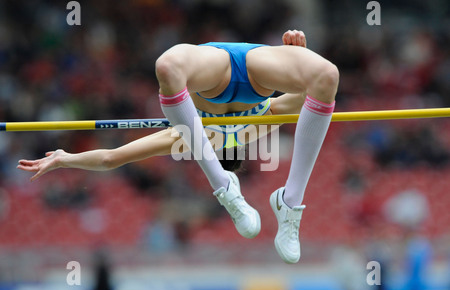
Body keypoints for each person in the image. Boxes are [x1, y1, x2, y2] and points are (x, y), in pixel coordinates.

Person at [18, 30, 339, 263]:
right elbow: (312, 94)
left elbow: (111, 158)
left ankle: (255, 193)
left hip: (220, 69)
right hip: (256, 69)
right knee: (326, 75)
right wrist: (300, 56)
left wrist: (66, 159)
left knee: (168, 68)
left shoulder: (189, 134)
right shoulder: (261, 122)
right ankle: (256, 193)